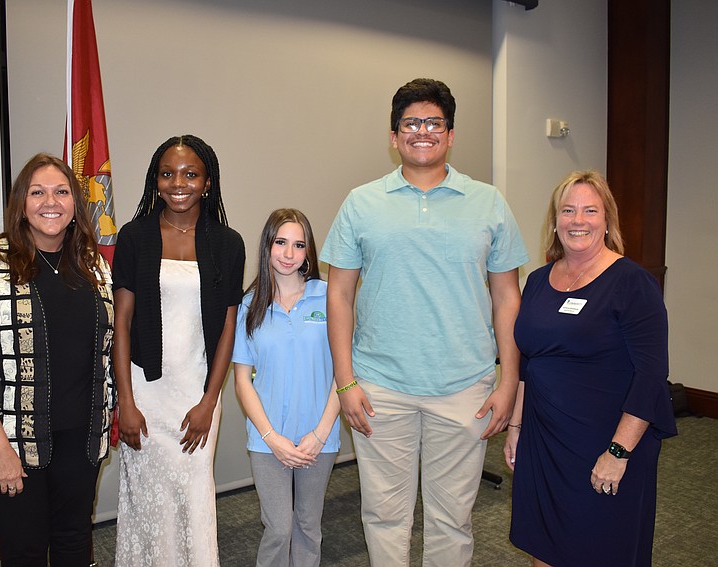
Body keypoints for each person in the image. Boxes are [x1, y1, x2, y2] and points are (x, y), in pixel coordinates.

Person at [320, 78, 528, 567]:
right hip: (380, 388)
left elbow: (507, 297)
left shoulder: (489, 203)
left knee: (451, 520)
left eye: (434, 123)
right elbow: (340, 294)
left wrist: (510, 380)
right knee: (384, 517)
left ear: (451, 135)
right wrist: (344, 380)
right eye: (411, 123)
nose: (422, 132)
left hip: (464, 388)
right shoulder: (361, 203)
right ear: (394, 136)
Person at [0, 153, 115, 566]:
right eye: (37, 192)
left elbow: (104, 351)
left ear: (75, 203)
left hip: (80, 437)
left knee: (75, 543)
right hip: (12, 442)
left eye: (61, 192)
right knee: (26, 552)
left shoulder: (92, 264)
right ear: (21, 202)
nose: (50, 201)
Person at [505, 170, 677, 567]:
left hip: (604, 440)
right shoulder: (537, 281)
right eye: (567, 210)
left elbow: (651, 377)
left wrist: (618, 451)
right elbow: (530, 362)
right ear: (554, 221)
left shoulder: (633, 283)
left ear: (607, 220)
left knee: (598, 546)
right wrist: (517, 427)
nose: (577, 220)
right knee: (543, 542)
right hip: (544, 439)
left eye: (589, 210)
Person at [112, 135, 245, 566]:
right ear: (155, 180)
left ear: (208, 182)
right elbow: (123, 322)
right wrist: (125, 403)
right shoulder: (135, 237)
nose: (178, 183)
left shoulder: (227, 242)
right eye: (167, 173)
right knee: (147, 498)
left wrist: (210, 400)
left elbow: (228, 326)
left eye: (190, 174)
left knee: (193, 492)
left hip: (197, 389)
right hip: (146, 390)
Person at [232, 208, 340, 567]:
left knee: (309, 525)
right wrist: (271, 438)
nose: (289, 254)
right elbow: (242, 381)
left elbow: (345, 372)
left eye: (299, 244)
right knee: (278, 528)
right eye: (281, 242)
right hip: (267, 440)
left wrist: (320, 434)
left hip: (318, 437)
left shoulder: (329, 298)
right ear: (267, 246)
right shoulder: (250, 305)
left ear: (309, 252)